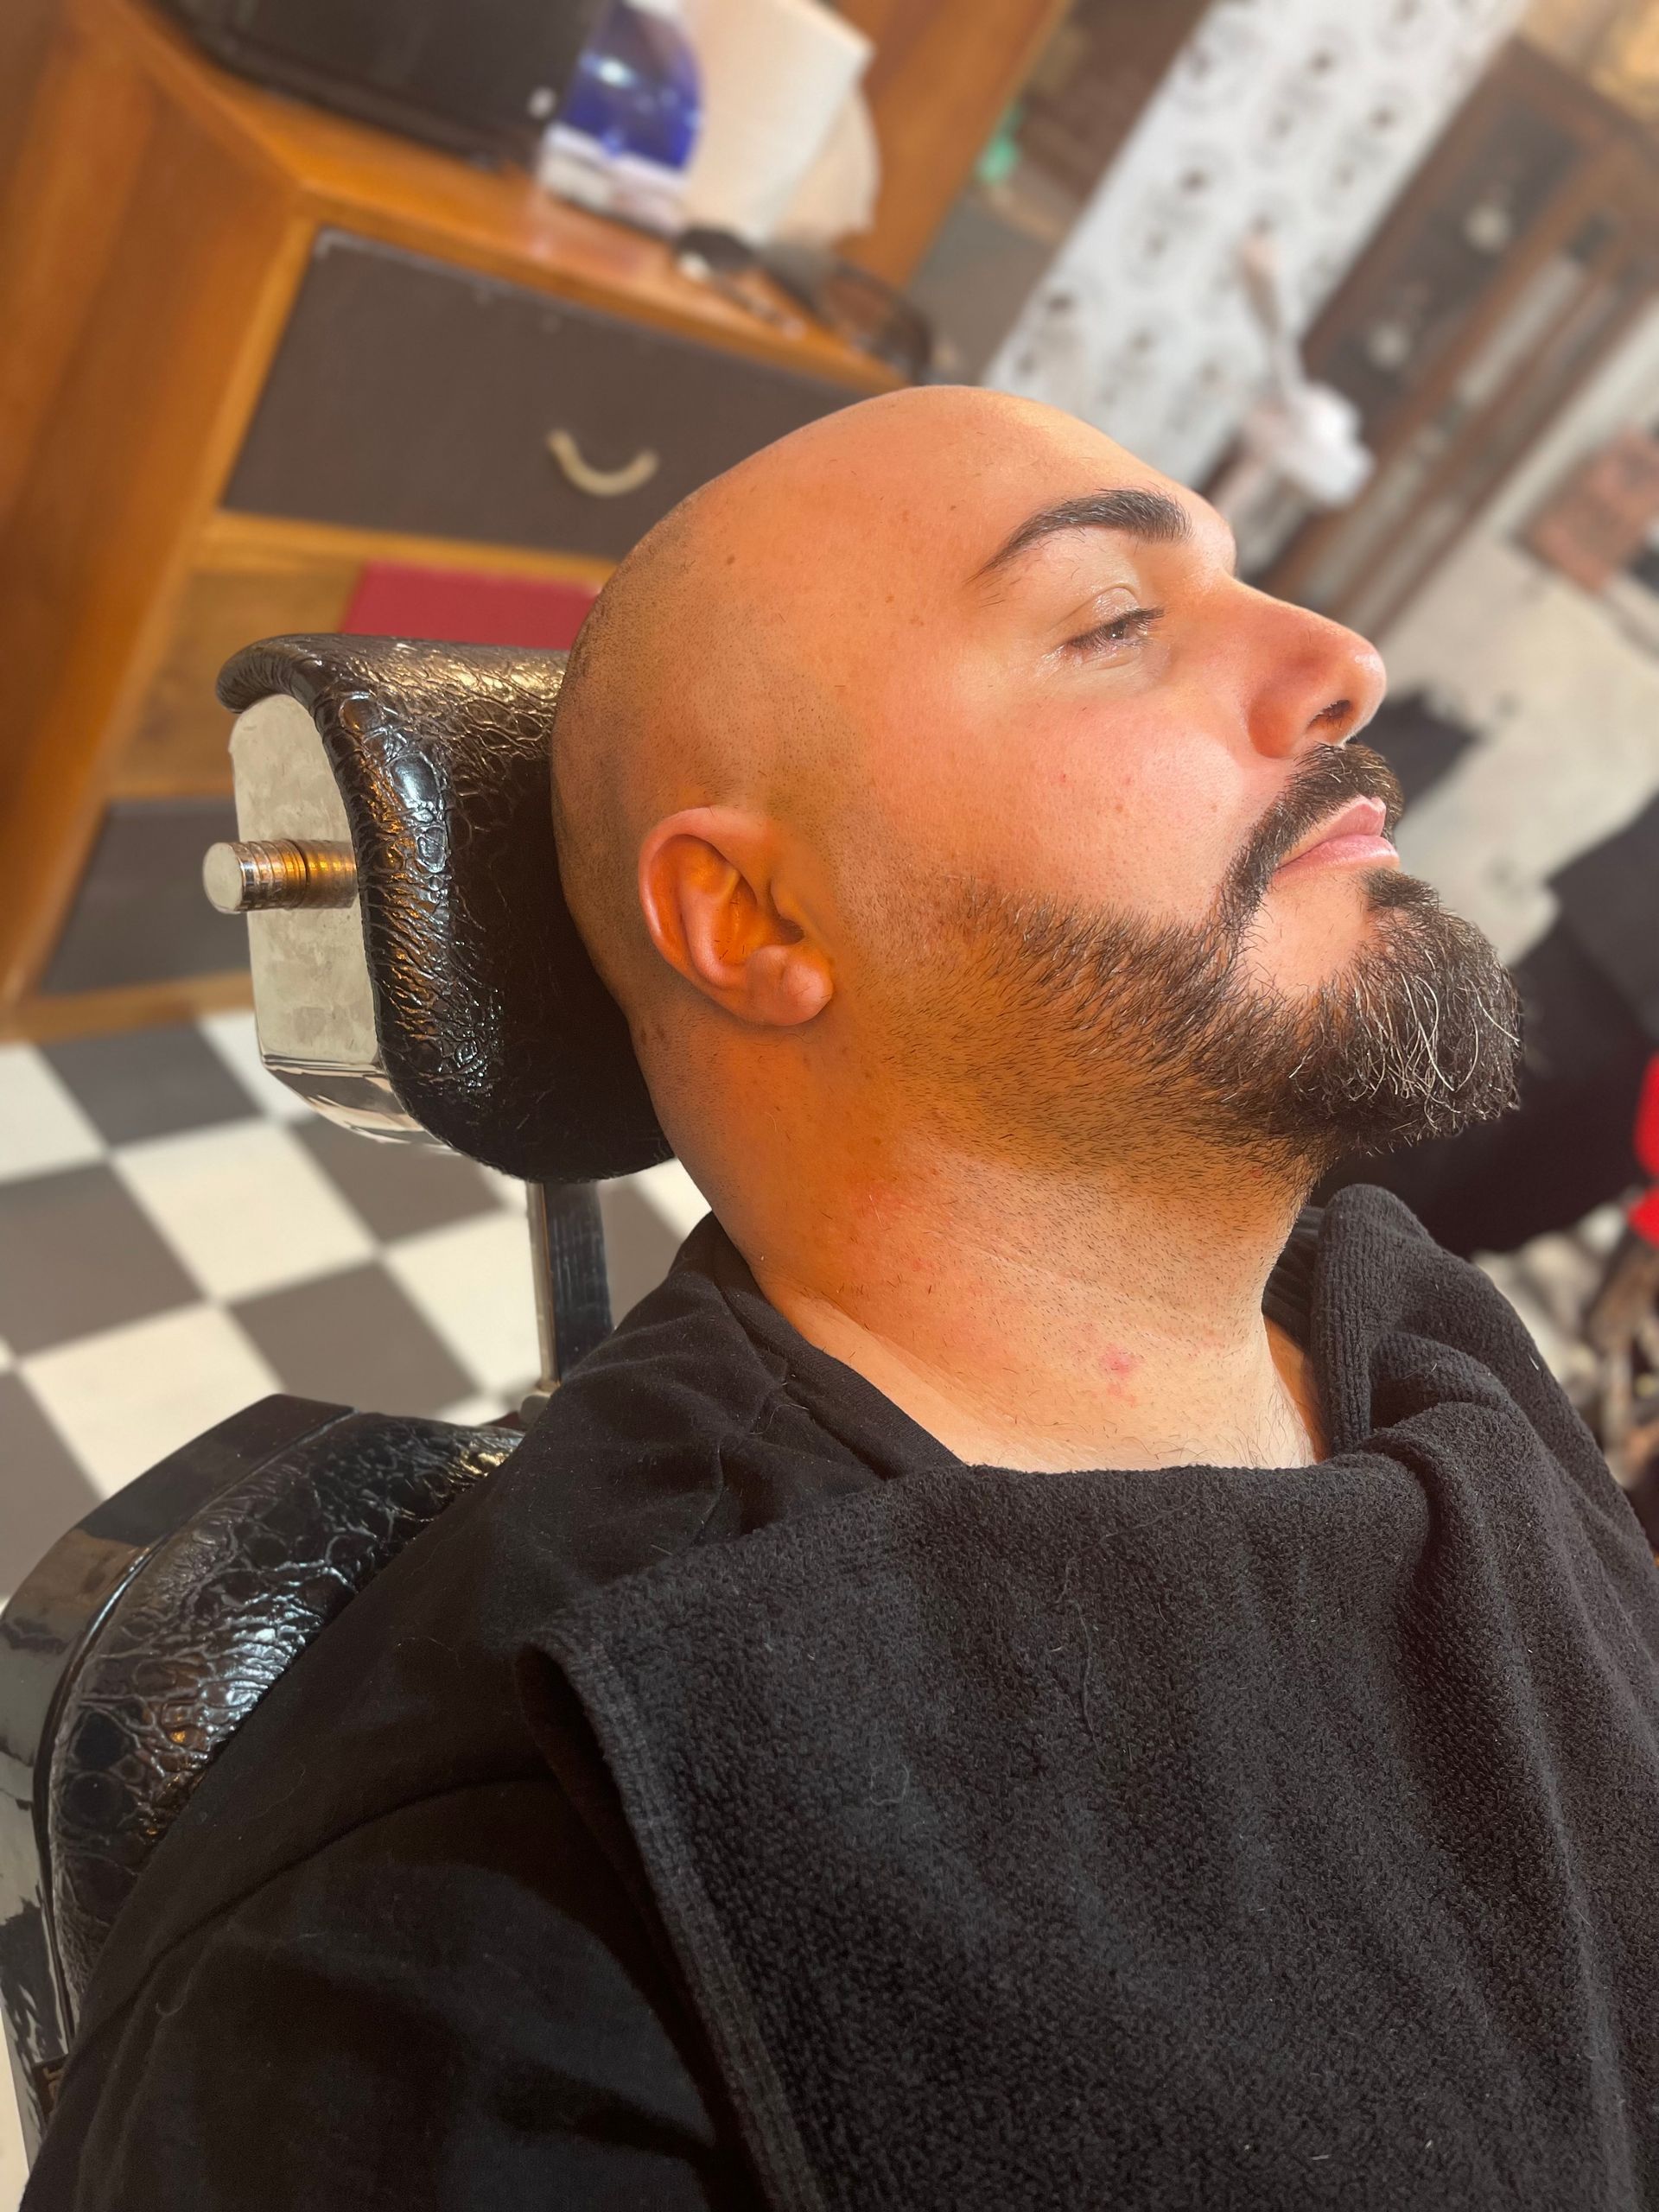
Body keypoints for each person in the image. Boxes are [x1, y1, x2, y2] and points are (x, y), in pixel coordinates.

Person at [26, 390, 1659, 2211]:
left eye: (1240, 578)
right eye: (1116, 622)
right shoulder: (494, 1933)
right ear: (756, 917)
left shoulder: (1404, 1322)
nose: (1343, 663)